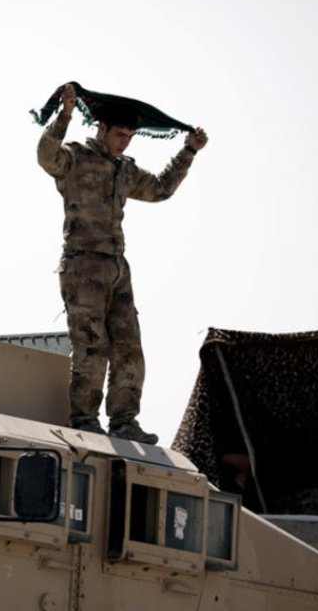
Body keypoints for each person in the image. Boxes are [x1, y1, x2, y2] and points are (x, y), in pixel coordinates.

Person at [35, 82, 208, 444]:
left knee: (130, 349)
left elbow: (160, 188)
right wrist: (64, 116)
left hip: (116, 267)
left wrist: (188, 151)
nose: (124, 143)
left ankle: (124, 421)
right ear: (102, 128)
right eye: (119, 135)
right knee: (92, 347)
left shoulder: (125, 170)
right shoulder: (76, 158)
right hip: (83, 266)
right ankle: (85, 419)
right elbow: (46, 156)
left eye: (130, 137)